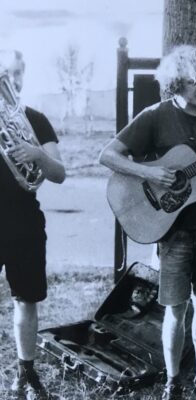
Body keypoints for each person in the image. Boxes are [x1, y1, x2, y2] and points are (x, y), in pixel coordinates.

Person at [100, 45, 196, 400]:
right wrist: (150, 172)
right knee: (175, 308)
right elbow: (107, 155)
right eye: (192, 81)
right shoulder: (155, 116)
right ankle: (172, 382)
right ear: (175, 83)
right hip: (172, 231)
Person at [0, 50, 66, 399]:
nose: (13, 81)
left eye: (17, 73)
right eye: (6, 74)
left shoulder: (36, 120)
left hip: (24, 221)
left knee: (27, 299)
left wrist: (37, 153)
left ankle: (26, 372)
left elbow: (59, 174)